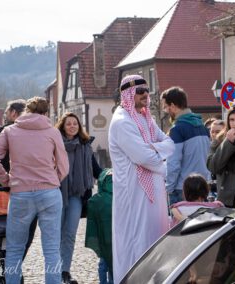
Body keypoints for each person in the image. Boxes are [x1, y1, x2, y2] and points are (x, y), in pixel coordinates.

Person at [0, 96, 69, 284]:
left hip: (20, 193)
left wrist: (6, 179)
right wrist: (52, 180)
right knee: (51, 248)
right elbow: (64, 166)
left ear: (26, 110)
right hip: (49, 193)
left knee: (15, 247)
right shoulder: (52, 132)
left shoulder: (10, 131)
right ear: (46, 112)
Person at [109, 74, 174, 282]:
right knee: (135, 243)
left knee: (154, 239)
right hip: (134, 194)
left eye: (147, 90)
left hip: (153, 193)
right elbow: (143, 157)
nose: (145, 94)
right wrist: (161, 165)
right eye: (140, 91)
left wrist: (153, 149)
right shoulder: (122, 122)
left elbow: (169, 144)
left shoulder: (146, 118)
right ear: (127, 94)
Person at [0, 99, 39, 284]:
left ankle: (1, 270)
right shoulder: (36, 135)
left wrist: (4, 180)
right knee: (22, 238)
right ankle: (11, 271)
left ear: (12, 114)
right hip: (27, 192)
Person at [55, 112, 102, 284]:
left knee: (70, 234)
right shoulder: (55, 144)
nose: (72, 126)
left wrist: (111, 176)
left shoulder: (85, 146)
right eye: (69, 124)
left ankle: (65, 272)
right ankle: (54, 271)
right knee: (55, 234)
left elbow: (97, 170)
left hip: (76, 195)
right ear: (62, 126)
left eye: (75, 123)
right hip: (56, 194)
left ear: (79, 126)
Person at [160, 87, 211, 205]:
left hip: (183, 189)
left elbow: (173, 163)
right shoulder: (202, 127)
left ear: (172, 105)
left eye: (165, 106)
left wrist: (168, 188)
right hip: (203, 186)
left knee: (181, 223)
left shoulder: (177, 129)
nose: (165, 110)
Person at [85, 168, 113, 284]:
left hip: (105, 239)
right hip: (111, 240)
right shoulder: (119, 198)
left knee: (104, 265)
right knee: (110, 265)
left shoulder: (96, 200)